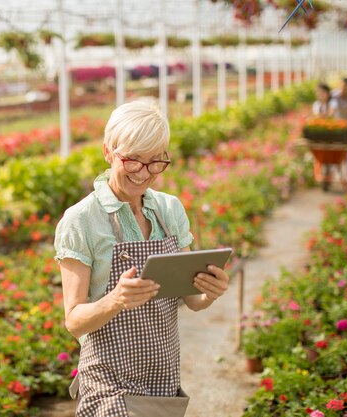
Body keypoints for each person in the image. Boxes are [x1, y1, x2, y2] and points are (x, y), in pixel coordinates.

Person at [54, 98, 231, 416]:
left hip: (163, 376)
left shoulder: (168, 210)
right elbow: (73, 321)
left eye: (155, 162)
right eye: (133, 160)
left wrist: (210, 291)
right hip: (110, 382)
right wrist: (116, 300)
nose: (144, 173)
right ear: (108, 151)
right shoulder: (81, 220)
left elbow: (192, 299)